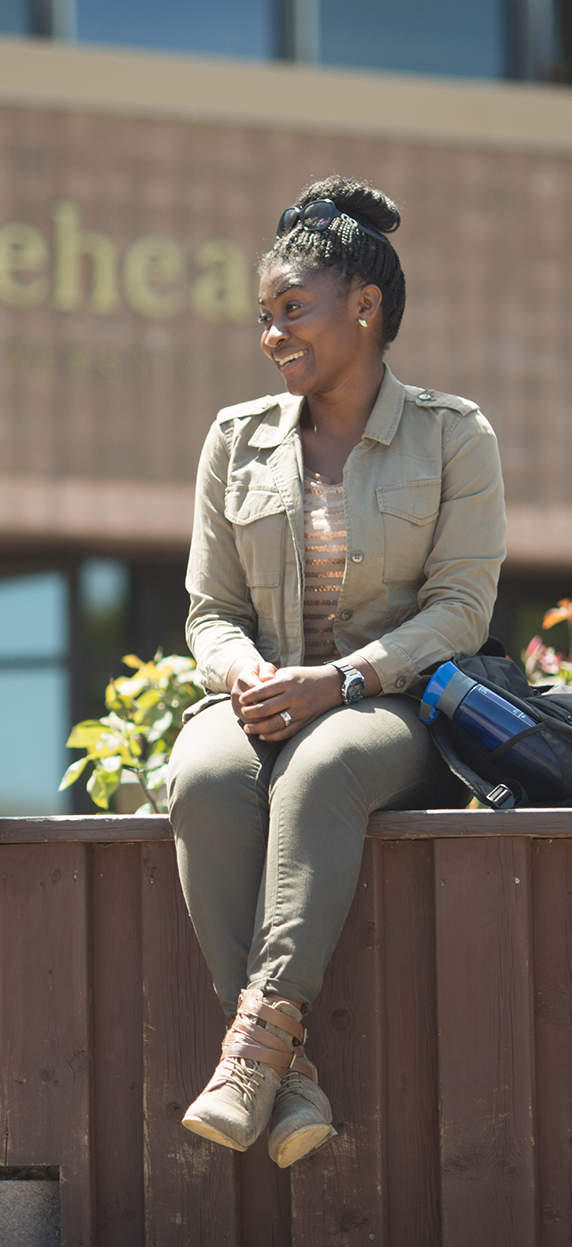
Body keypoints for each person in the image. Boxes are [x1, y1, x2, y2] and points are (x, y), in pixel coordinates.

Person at [167, 177, 505, 1168]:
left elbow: (461, 609)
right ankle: (286, 1074)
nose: (272, 334)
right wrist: (245, 674)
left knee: (323, 768)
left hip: (395, 709)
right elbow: (209, 610)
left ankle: (254, 1047)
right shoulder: (235, 439)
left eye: (291, 309)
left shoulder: (454, 434)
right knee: (201, 774)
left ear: (364, 305)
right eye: (263, 317)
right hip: (264, 696)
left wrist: (343, 680)